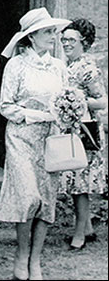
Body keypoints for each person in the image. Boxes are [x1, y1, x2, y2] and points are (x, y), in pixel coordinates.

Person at [0, 7, 70, 280]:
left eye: (54, 31)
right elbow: (6, 107)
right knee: (28, 197)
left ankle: (35, 261)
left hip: (50, 141)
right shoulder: (16, 64)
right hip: (21, 139)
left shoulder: (59, 66)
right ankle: (21, 255)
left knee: (46, 202)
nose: (54, 36)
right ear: (32, 36)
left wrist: (68, 113)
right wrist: (40, 115)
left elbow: (66, 101)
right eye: (49, 31)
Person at [59, 18, 108, 250]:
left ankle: (79, 234)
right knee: (72, 182)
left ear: (84, 42)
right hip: (70, 131)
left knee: (80, 184)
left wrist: (77, 100)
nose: (66, 43)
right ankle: (87, 226)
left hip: (86, 133)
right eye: (64, 39)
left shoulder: (88, 68)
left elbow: (102, 101)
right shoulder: (65, 65)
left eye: (71, 40)